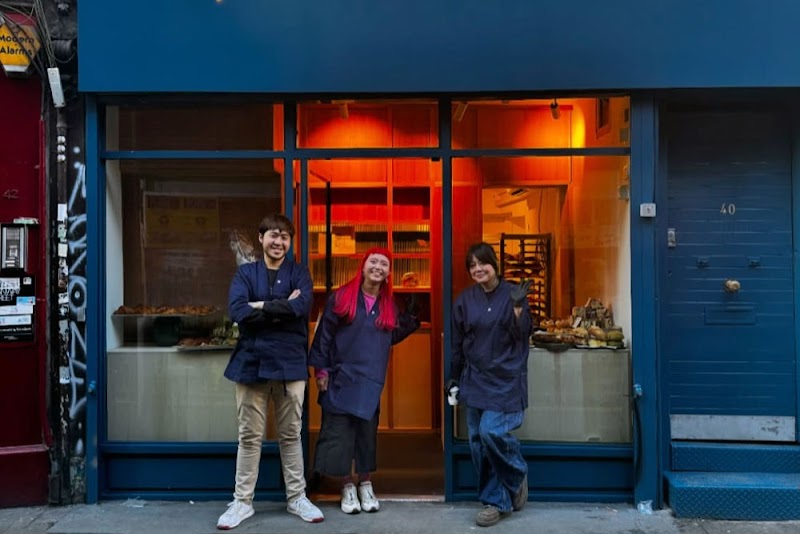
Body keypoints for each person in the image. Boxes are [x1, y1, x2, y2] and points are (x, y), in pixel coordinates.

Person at [217, 214, 324, 530]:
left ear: (290, 242)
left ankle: (297, 498)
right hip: (251, 363)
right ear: (261, 238)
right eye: (273, 235)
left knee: (291, 435)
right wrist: (279, 307)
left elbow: (301, 308)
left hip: (291, 364)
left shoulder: (299, 273)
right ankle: (242, 502)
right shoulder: (245, 273)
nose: (278, 241)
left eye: (284, 237)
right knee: (249, 437)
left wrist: (259, 306)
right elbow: (238, 311)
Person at [309, 247, 420, 515]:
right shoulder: (342, 297)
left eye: (384, 263)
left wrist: (412, 315)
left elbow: (390, 336)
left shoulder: (388, 304)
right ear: (363, 265)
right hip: (340, 376)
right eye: (374, 261)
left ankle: (365, 483)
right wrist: (321, 371)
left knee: (366, 434)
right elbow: (324, 336)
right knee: (340, 434)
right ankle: (347, 485)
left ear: (388, 272)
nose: (378, 267)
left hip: (370, 378)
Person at [448, 242, 533, 527]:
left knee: (490, 432)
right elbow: (457, 343)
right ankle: (499, 497)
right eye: (472, 265)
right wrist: (453, 377)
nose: (478, 269)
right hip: (475, 379)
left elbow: (522, 334)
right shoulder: (465, 300)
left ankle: (511, 480)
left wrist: (518, 307)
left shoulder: (514, 294)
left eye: (482, 263)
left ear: (494, 263)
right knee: (477, 442)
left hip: (506, 379)